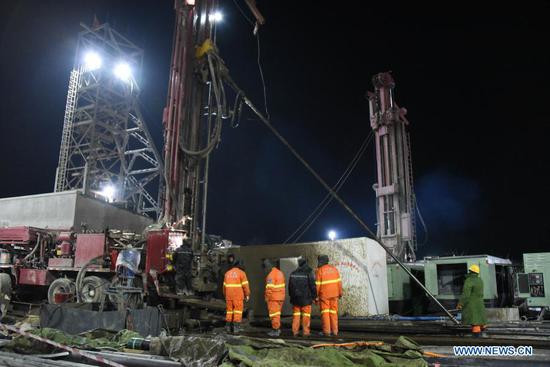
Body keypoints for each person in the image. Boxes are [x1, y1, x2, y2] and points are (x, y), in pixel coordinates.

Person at [288, 258, 317, 337]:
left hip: (295, 300)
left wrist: (291, 297)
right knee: (306, 316)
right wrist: (314, 296)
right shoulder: (309, 272)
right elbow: (312, 285)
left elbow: (290, 287)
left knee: (296, 316)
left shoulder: (293, 273)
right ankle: (305, 332)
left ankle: (295, 332)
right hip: (306, 299)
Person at [315, 254, 342, 337]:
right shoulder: (335, 269)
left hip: (324, 295)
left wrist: (316, 296)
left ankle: (326, 332)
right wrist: (340, 293)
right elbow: (339, 283)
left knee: (325, 313)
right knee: (333, 313)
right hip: (335, 294)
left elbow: (317, 285)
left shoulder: (320, 271)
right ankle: (335, 331)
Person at [457, 264, 487, 337]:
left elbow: (466, 294)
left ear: (470, 271)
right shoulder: (480, 280)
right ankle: (483, 333)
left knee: (474, 320)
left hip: (472, 303)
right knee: (480, 319)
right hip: (480, 303)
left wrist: (460, 303)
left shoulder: (469, 280)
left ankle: (476, 340)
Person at [223, 259, 250, 334]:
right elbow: (245, 286)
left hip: (228, 296)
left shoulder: (227, 273)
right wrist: (247, 295)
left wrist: (225, 295)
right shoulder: (242, 273)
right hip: (237, 296)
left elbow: (224, 287)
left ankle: (228, 327)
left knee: (229, 311)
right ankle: (236, 328)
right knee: (237, 311)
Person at [263, 258, 285, 337]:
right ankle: (277, 328)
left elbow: (269, 288)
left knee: (274, 314)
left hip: (273, 298)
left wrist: (266, 297)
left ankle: (275, 330)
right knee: (277, 314)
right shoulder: (280, 273)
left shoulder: (270, 275)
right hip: (280, 297)